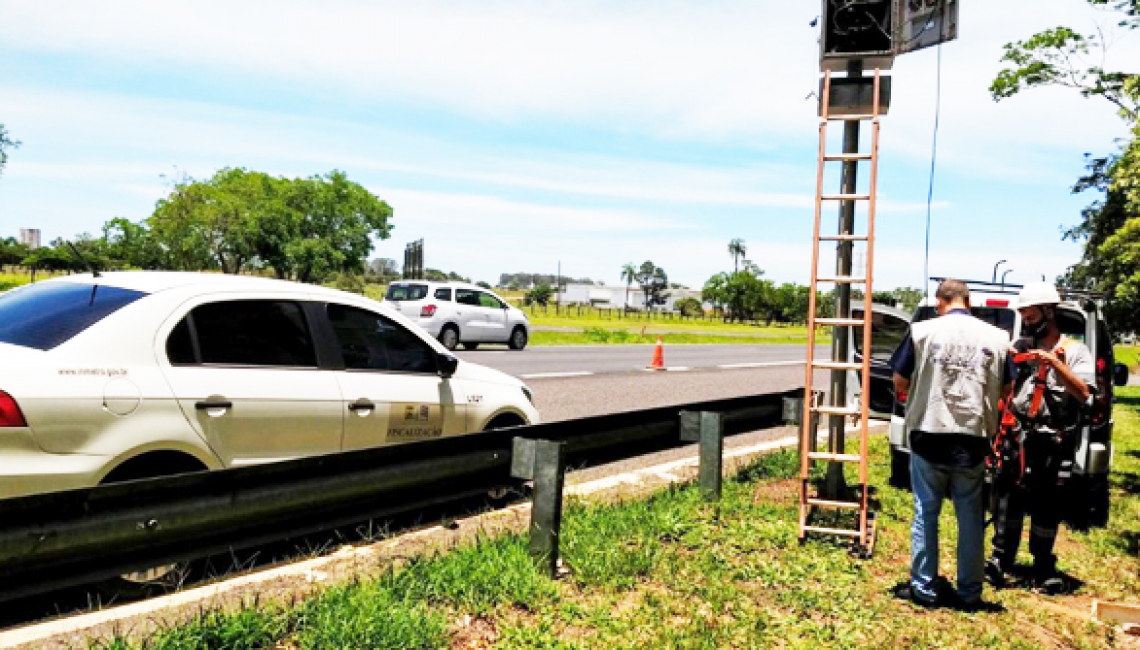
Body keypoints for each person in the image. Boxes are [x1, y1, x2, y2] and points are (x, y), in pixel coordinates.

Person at [890, 279, 1014, 608]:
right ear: (967, 301)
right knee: (970, 515)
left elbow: (900, 381)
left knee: (925, 513)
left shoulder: (921, 331)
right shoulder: (998, 338)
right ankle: (970, 592)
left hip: (929, 432)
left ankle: (924, 589)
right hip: (972, 437)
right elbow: (1005, 391)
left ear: (940, 301)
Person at [986, 282, 1095, 594]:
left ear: (1050, 312)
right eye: (1024, 317)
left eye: (1032, 317)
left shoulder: (1075, 352)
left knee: (1047, 503)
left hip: (1053, 440)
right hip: (1017, 437)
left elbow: (1084, 393)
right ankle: (1001, 558)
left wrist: (1053, 363)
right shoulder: (1020, 347)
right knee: (1007, 499)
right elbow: (1003, 389)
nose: (1028, 323)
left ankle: (1043, 564)